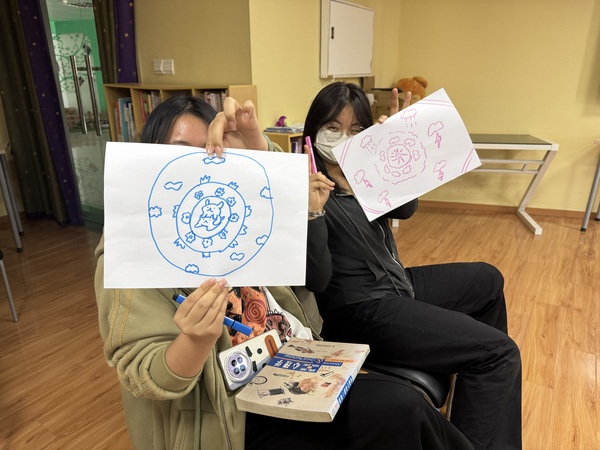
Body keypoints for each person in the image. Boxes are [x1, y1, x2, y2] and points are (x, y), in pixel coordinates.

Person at [95, 94, 475, 449]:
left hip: (298, 355)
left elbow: (289, 192)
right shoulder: (133, 247)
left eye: (207, 152)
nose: (196, 166)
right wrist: (194, 342)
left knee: (403, 407)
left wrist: (253, 144)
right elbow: (142, 374)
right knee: (401, 408)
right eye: (180, 153)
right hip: (233, 415)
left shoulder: (239, 208)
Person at [299, 81, 522, 450]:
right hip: (358, 309)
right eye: (332, 127)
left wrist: (393, 146)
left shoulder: (364, 171)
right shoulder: (308, 187)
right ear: (313, 131)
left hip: (395, 284)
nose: (343, 137)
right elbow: (318, 281)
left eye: (356, 129)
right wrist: (314, 213)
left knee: (488, 280)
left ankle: (479, 397)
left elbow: (406, 209)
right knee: (499, 353)